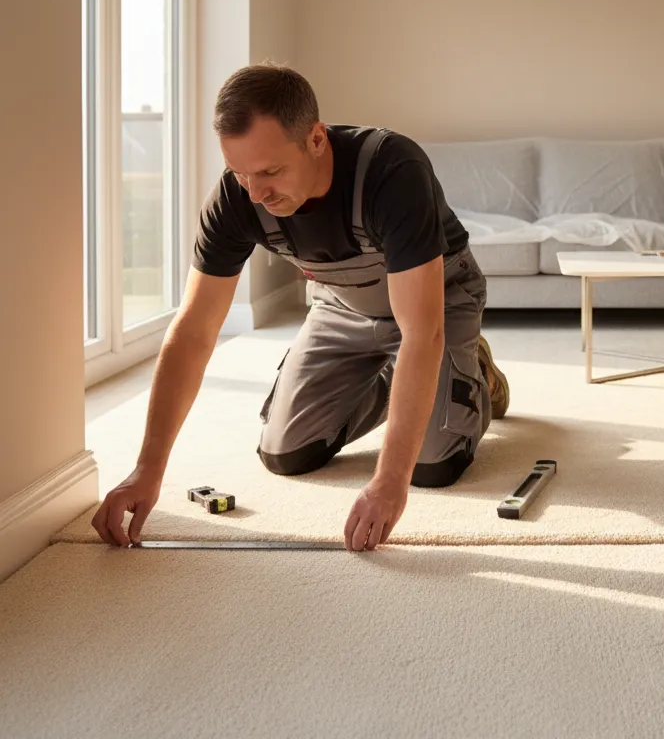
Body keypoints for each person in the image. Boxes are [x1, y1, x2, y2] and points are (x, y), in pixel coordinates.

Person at [92, 63, 509, 552]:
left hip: (434, 307)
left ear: (316, 139)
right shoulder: (236, 199)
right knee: (285, 452)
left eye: (270, 171)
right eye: (240, 173)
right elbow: (194, 332)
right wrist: (147, 469)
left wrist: (387, 481)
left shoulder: (392, 170)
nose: (257, 194)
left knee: (431, 465)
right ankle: (413, 381)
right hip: (343, 309)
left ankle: (473, 371)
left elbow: (422, 332)